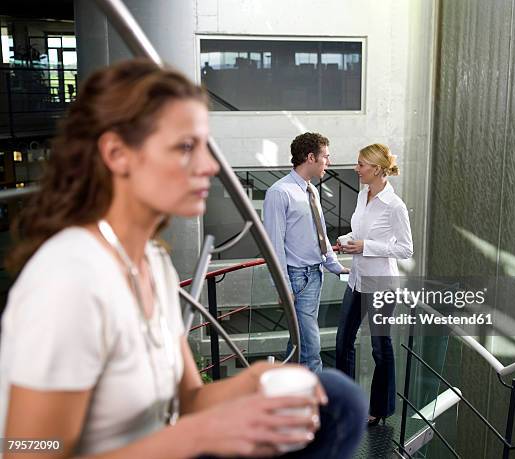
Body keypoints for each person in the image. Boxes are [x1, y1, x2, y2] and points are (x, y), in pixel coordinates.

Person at [0, 59, 367, 458]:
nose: (209, 167)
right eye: (185, 147)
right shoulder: (66, 280)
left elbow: (190, 397)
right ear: (118, 154)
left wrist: (252, 381)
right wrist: (198, 435)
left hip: (169, 444)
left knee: (337, 400)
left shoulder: (151, 260)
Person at [335, 143, 413, 426]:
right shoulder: (362, 195)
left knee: (380, 348)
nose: (357, 169)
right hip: (356, 280)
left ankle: (380, 409)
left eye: (361, 165)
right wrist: (346, 241)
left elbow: (406, 249)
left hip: (381, 285)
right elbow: (359, 232)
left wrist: (366, 246)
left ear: (377, 169)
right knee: (343, 342)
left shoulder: (395, 206)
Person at [263, 133, 349, 374]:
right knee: (311, 349)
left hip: (315, 275)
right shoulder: (279, 193)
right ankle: (318, 408)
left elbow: (318, 233)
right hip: (296, 278)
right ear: (311, 157)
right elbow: (274, 245)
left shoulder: (311, 191)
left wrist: (334, 265)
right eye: (325, 157)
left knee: (298, 342)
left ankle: (286, 396)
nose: (328, 163)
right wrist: (284, 287)